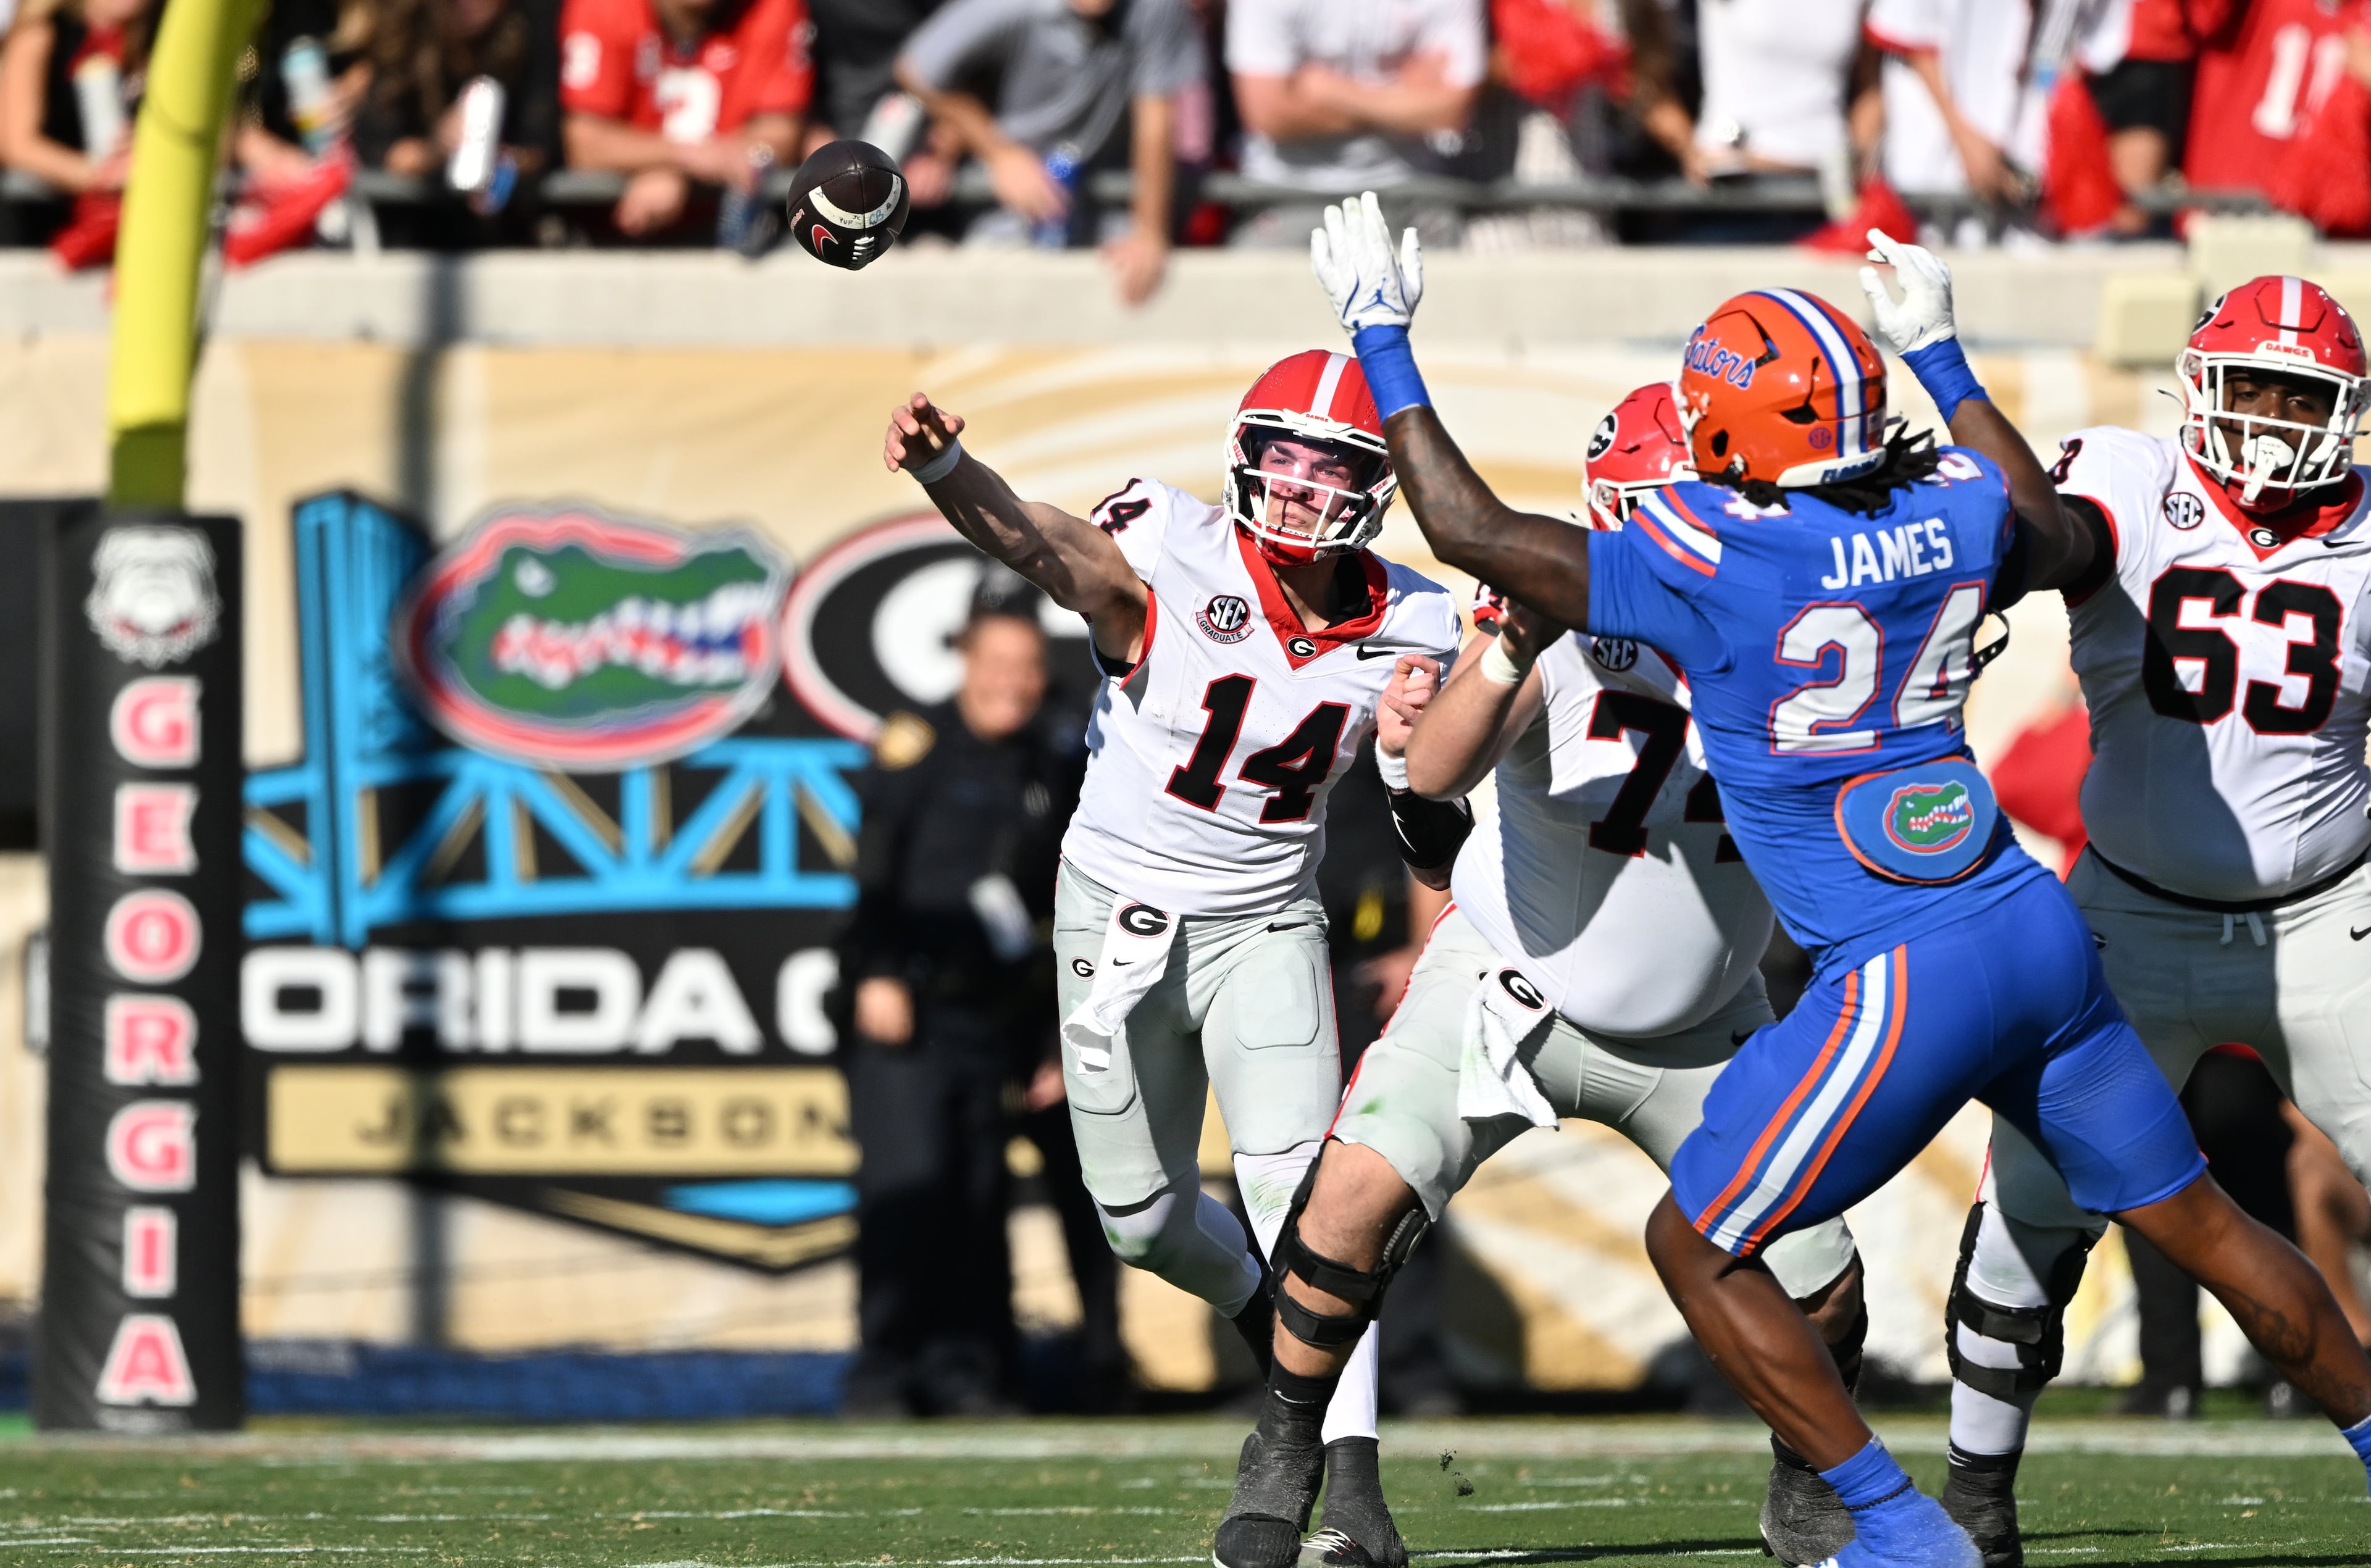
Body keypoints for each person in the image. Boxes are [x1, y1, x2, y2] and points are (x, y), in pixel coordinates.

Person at [1277, 193, 2371, 1568]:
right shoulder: (1942, 507)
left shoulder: (1715, 555)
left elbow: (1467, 524)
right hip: (2031, 922)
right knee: (2207, 1220)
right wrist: (1949, 363)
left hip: (1905, 969)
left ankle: (1903, 1530)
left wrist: (1381, 338)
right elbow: (2038, 521)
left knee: (1698, 1246)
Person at [1224, 383, 1873, 1568]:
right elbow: (1433, 784)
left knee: (1827, 1288)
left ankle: (1803, 1468)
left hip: (1708, 1014)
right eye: (1652, 513)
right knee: (1350, 1199)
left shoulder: (1811, 626)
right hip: (1506, 988)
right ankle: (1284, 1444)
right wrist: (1496, 653)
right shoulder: (1552, 611)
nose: (1675, 544)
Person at [880, 348, 1468, 1566]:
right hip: (1118, 920)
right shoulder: (1174, 541)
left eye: (1332, 469)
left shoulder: (1418, 617)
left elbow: (1451, 789)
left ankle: (1340, 1480)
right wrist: (949, 470)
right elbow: (1049, 547)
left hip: (1267, 920)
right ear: (1248, 455)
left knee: (1304, 1195)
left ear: (1375, 487)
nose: (1301, 492)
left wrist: (1428, 750)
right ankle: (1273, 1313)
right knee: (1140, 1217)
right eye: (1285, 462)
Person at [1937, 272, 2371, 1562]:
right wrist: (1949, 375)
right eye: (2258, 389)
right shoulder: (2129, 478)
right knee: (2028, 1206)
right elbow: (2040, 538)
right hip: (2131, 918)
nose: (2280, 421)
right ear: (2200, 389)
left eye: (2306, 395)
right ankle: (1976, 1492)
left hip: (2332, 921)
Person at [836, 580, 1085, 1417]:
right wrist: (876, 971)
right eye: (998, 664)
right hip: (907, 1012)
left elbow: (1064, 908)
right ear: (966, 660)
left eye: (1027, 666)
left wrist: (1053, 1034)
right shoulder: (916, 747)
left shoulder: (1053, 759)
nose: (1013, 681)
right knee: (910, 1189)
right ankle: (885, 1370)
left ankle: (970, 1373)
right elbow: (872, 871)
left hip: (999, 1019)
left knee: (981, 1200)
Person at [893, 0, 1201, 305]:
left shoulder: (1157, 9)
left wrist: (1150, 232)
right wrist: (1001, 153)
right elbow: (916, 68)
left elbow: (1156, 122)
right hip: (1004, 217)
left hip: (1105, 216)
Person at [1221, 0, 1485, 250]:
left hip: (1413, 193)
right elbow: (1270, 115)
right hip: (1288, 196)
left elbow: (1453, 112)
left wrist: (1330, 91)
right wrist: (1402, 99)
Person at [559, 0, 809, 240]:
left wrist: (682, 171)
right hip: (606, 234)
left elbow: (781, 134)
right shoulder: (604, 7)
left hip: (737, 232)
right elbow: (585, 144)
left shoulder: (769, 7)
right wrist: (685, 157)